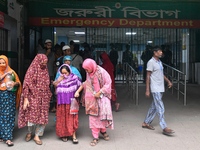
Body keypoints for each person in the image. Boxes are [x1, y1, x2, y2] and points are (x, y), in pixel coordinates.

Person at [74, 58, 114, 146]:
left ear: (91, 66)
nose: (86, 71)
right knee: (93, 118)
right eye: (85, 69)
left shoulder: (102, 72)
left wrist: (100, 92)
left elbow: (108, 83)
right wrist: (78, 91)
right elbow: (87, 83)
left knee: (102, 116)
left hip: (102, 98)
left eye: (86, 69)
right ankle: (95, 136)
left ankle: (103, 131)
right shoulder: (89, 73)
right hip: (92, 100)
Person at [18, 54, 52, 145]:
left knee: (42, 117)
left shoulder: (45, 70)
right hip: (32, 96)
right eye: (42, 62)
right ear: (38, 61)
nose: (44, 65)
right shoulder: (31, 70)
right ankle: (29, 132)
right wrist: (26, 98)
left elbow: (47, 84)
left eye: (45, 63)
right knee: (32, 116)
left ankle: (37, 135)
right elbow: (26, 85)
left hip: (44, 97)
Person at [142, 46, 175, 136]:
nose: (161, 52)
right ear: (154, 52)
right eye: (159, 51)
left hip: (160, 87)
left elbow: (161, 74)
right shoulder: (151, 62)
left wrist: (168, 81)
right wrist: (147, 90)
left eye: (161, 51)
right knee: (160, 107)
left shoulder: (159, 62)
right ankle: (164, 127)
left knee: (154, 106)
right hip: (155, 88)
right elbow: (148, 76)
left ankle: (146, 122)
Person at [53, 64, 81, 143]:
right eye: (62, 73)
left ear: (70, 71)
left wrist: (78, 92)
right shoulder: (60, 79)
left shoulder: (75, 78)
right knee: (63, 118)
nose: (64, 75)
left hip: (73, 102)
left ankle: (73, 135)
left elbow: (81, 85)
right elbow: (54, 85)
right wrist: (59, 80)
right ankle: (64, 134)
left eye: (66, 73)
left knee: (73, 118)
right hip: (62, 102)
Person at [0, 55, 22, 146]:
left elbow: (18, 82)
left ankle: (8, 137)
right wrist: (4, 74)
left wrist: (14, 83)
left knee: (8, 116)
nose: (2, 64)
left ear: (7, 62)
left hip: (9, 97)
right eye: (0, 63)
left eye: (3, 62)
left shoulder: (12, 72)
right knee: (1, 116)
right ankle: (2, 135)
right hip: (1, 96)